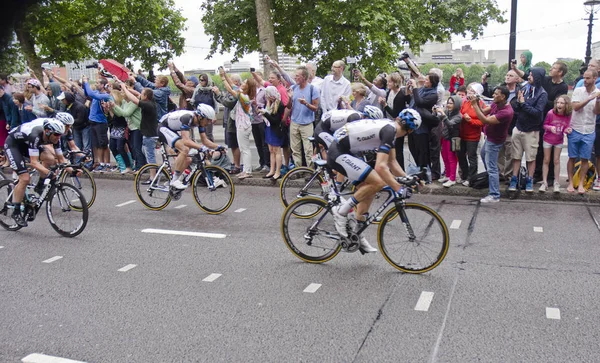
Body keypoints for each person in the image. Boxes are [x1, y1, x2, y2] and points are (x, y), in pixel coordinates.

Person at [327, 109, 421, 253]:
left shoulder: (390, 128)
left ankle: (357, 233)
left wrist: (408, 179)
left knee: (370, 187)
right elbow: (380, 167)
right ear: (410, 132)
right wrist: (398, 188)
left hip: (347, 151)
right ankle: (341, 212)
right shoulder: (390, 131)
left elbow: (392, 162)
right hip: (338, 152)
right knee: (378, 182)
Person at [3, 119, 68, 226]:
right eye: (56, 134)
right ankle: (16, 211)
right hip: (13, 145)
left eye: (60, 135)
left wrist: (73, 169)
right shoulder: (35, 135)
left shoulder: (56, 138)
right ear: (47, 131)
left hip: (26, 144)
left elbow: (61, 159)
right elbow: (34, 162)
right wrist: (49, 173)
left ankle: (39, 185)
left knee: (51, 159)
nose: (58, 137)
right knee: (24, 178)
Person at [157, 105, 223, 189]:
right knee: (185, 149)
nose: (209, 122)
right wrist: (200, 147)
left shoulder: (200, 121)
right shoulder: (187, 118)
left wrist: (218, 147)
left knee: (188, 159)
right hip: (163, 128)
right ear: (200, 117)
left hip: (171, 129)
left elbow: (205, 141)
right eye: (208, 120)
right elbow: (186, 141)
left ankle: (173, 182)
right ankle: (174, 181)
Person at [469, 86, 514, 203]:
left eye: (496, 94)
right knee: (484, 156)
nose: (493, 96)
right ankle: (492, 178)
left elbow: (486, 120)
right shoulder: (496, 104)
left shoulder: (506, 112)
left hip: (495, 141)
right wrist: (477, 102)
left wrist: (474, 105)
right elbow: (483, 112)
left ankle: (494, 195)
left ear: (503, 97)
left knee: (492, 167)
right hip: (490, 138)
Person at [508, 67, 549, 193]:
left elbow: (537, 113)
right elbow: (517, 108)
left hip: (531, 131)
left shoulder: (542, 94)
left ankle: (530, 180)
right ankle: (514, 179)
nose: (528, 77)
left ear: (537, 78)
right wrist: (518, 103)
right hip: (518, 128)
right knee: (516, 156)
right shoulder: (524, 89)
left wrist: (523, 103)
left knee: (531, 158)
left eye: (531, 75)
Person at [534, 61, 569, 184]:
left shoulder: (563, 87)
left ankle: (550, 177)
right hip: (541, 117)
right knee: (539, 148)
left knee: (552, 150)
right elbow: (533, 76)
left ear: (560, 72)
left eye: (554, 68)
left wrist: (542, 99)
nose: (551, 69)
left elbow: (556, 104)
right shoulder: (546, 80)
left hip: (553, 119)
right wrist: (516, 69)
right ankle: (537, 174)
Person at [566, 69, 600, 194]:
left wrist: (597, 100)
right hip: (576, 127)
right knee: (572, 157)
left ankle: (581, 183)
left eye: (587, 78)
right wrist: (590, 98)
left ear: (594, 79)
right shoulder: (578, 90)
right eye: (584, 78)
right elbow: (576, 107)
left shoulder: (598, 93)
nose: (584, 81)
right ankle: (570, 182)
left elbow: (597, 112)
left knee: (585, 158)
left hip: (589, 129)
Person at [220, 68, 257, 179]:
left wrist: (222, 78)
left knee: (245, 149)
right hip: (242, 125)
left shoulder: (244, 96)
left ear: (248, 86)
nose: (242, 83)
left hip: (243, 126)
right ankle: (245, 170)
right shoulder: (243, 94)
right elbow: (232, 85)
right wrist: (225, 75)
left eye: (245, 83)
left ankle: (248, 171)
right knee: (243, 148)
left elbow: (231, 89)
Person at [287, 66, 320, 169]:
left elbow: (315, 108)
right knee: (295, 149)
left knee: (308, 149)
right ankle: (298, 170)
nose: (295, 78)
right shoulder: (293, 88)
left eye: (297, 76)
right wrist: (290, 98)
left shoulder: (312, 89)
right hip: (294, 122)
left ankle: (310, 170)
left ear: (304, 77)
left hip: (307, 123)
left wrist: (306, 103)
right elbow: (288, 107)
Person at [122, 85, 158, 176]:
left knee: (150, 157)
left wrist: (125, 89)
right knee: (144, 152)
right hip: (148, 134)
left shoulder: (148, 105)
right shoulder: (151, 101)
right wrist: (124, 86)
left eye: (142, 94)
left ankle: (152, 177)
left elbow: (134, 100)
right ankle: (152, 174)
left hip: (149, 135)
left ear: (145, 96)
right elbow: (137, 94)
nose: (140, 95)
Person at [540, 95, 572, 193]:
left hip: (559, 140)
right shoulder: (551, 113)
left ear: (566, 105)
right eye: (558, 102)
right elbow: (545, 124)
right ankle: (544, 182)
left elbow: (566, 127)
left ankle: (556, 182)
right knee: (546, 160)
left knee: (556, 160)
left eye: (562, 103)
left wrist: (567, 130)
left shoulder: (567, 115)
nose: (559, 105)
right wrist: (550, 128)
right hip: (548, 139)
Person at [379, 72, 410, 169]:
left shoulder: (400, 95)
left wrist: (385, 105)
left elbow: (395, 113)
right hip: (390, 122)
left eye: (390, 82)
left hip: (398, 124)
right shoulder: (390, 92)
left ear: (395, 83)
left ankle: (400, 169)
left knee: (398, 149)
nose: (388, 84)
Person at [82, 75, 112, 171]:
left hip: (101, 122)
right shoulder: (95, 92)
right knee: (96, 144)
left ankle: (106, 163)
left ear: (103, 85)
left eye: (98, 83)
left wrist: (86, 82)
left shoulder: (105, 96)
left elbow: (92, 94)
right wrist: (84, 84)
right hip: (93, 122)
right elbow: (87, 94)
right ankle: (99, 162)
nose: (96, 84)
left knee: (103, 144)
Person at [458, 83, 485, 186]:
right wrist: (462, 116)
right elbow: (459, 112)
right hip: (462, 134)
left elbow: (482, 122)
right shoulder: (464, 102)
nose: (469, 93)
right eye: (468, 90)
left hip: (473, 136)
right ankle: (464, 176)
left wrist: (470, 121)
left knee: (472, 157)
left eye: (472, 91)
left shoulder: (481, 104)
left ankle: (471, 178)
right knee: (460, 155)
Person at [259, 86, 286, 179]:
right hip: (269, 128)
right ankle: (272, 170)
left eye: (269, 95)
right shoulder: (270, 103)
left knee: (277, 150)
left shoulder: (279, 104)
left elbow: (275, 120)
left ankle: (277, 172)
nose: (268, 97)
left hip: (275, 129)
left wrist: (265, 113)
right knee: (271, 150)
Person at [436, 95, 463, 188]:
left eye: (451, 103)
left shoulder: (459, 116)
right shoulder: (447, 112)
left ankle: (452, 179)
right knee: (444, 157)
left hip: (454, 139)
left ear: (457, 104)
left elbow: (450, 124)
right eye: (448, 102)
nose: (448, 105)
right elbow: (438, 119)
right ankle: (447, 175)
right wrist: (436, 112)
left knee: (452, 159)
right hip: (444, 137)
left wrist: (443, 114)